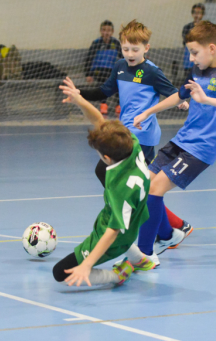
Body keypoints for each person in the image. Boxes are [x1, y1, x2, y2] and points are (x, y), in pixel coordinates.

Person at [127, 21, 216, 266]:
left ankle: (145, 254)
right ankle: (169, 235)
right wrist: (148, 112)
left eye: (194, 52)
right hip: (181, 140)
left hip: (201, 149)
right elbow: (179, 95)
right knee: (143, 185)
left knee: (155, 189)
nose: (191, 58)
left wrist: (207, 99)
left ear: (212, 48)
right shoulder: (197, 70)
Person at [77, 20, 193, 260]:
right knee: (131, 184)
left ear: (146, 48)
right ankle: (173, 227)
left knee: (114, 175)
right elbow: (104, 91)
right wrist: (80, 94)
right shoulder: (120, 66)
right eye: (125, 49)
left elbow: (171, 91)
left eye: (135, 49)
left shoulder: (151, 71)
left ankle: (169, 228)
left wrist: (181, 101)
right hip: (125, 133)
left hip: (143, 138)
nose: (129, 54)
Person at [53, 77, 155, 287]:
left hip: (117, 238)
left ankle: (119, 275)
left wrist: (87, 264)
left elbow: (112, 232)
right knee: (100, 171)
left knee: (60, 272)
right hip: (135, 217)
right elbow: (99, 120)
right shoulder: (131, 143)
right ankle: (140, 260)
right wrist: (80, 101)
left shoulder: (120, 188)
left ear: (107, 157)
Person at [84, 20, 122, 115]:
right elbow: (89, 59)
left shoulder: (116, 43)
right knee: (104, 79)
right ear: (101, 31)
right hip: (98, 70)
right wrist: (88, 74)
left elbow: (122, 57)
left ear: (112, 32)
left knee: (119, 79)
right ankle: (103, 104)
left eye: (109, 30)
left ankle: (119, 105)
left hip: (111, 69)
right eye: (104, 30)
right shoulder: (96, 43)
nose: (106, 33)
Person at [181, 4, 205, 85]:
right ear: (192, 14)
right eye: (195, 13)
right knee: (189, 80)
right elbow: (185, 42)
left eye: (199, 13)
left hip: (202, 58)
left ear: (202, 14)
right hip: (189, 58)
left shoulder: (205, 28)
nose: (197, 15)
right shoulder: (187, 27)